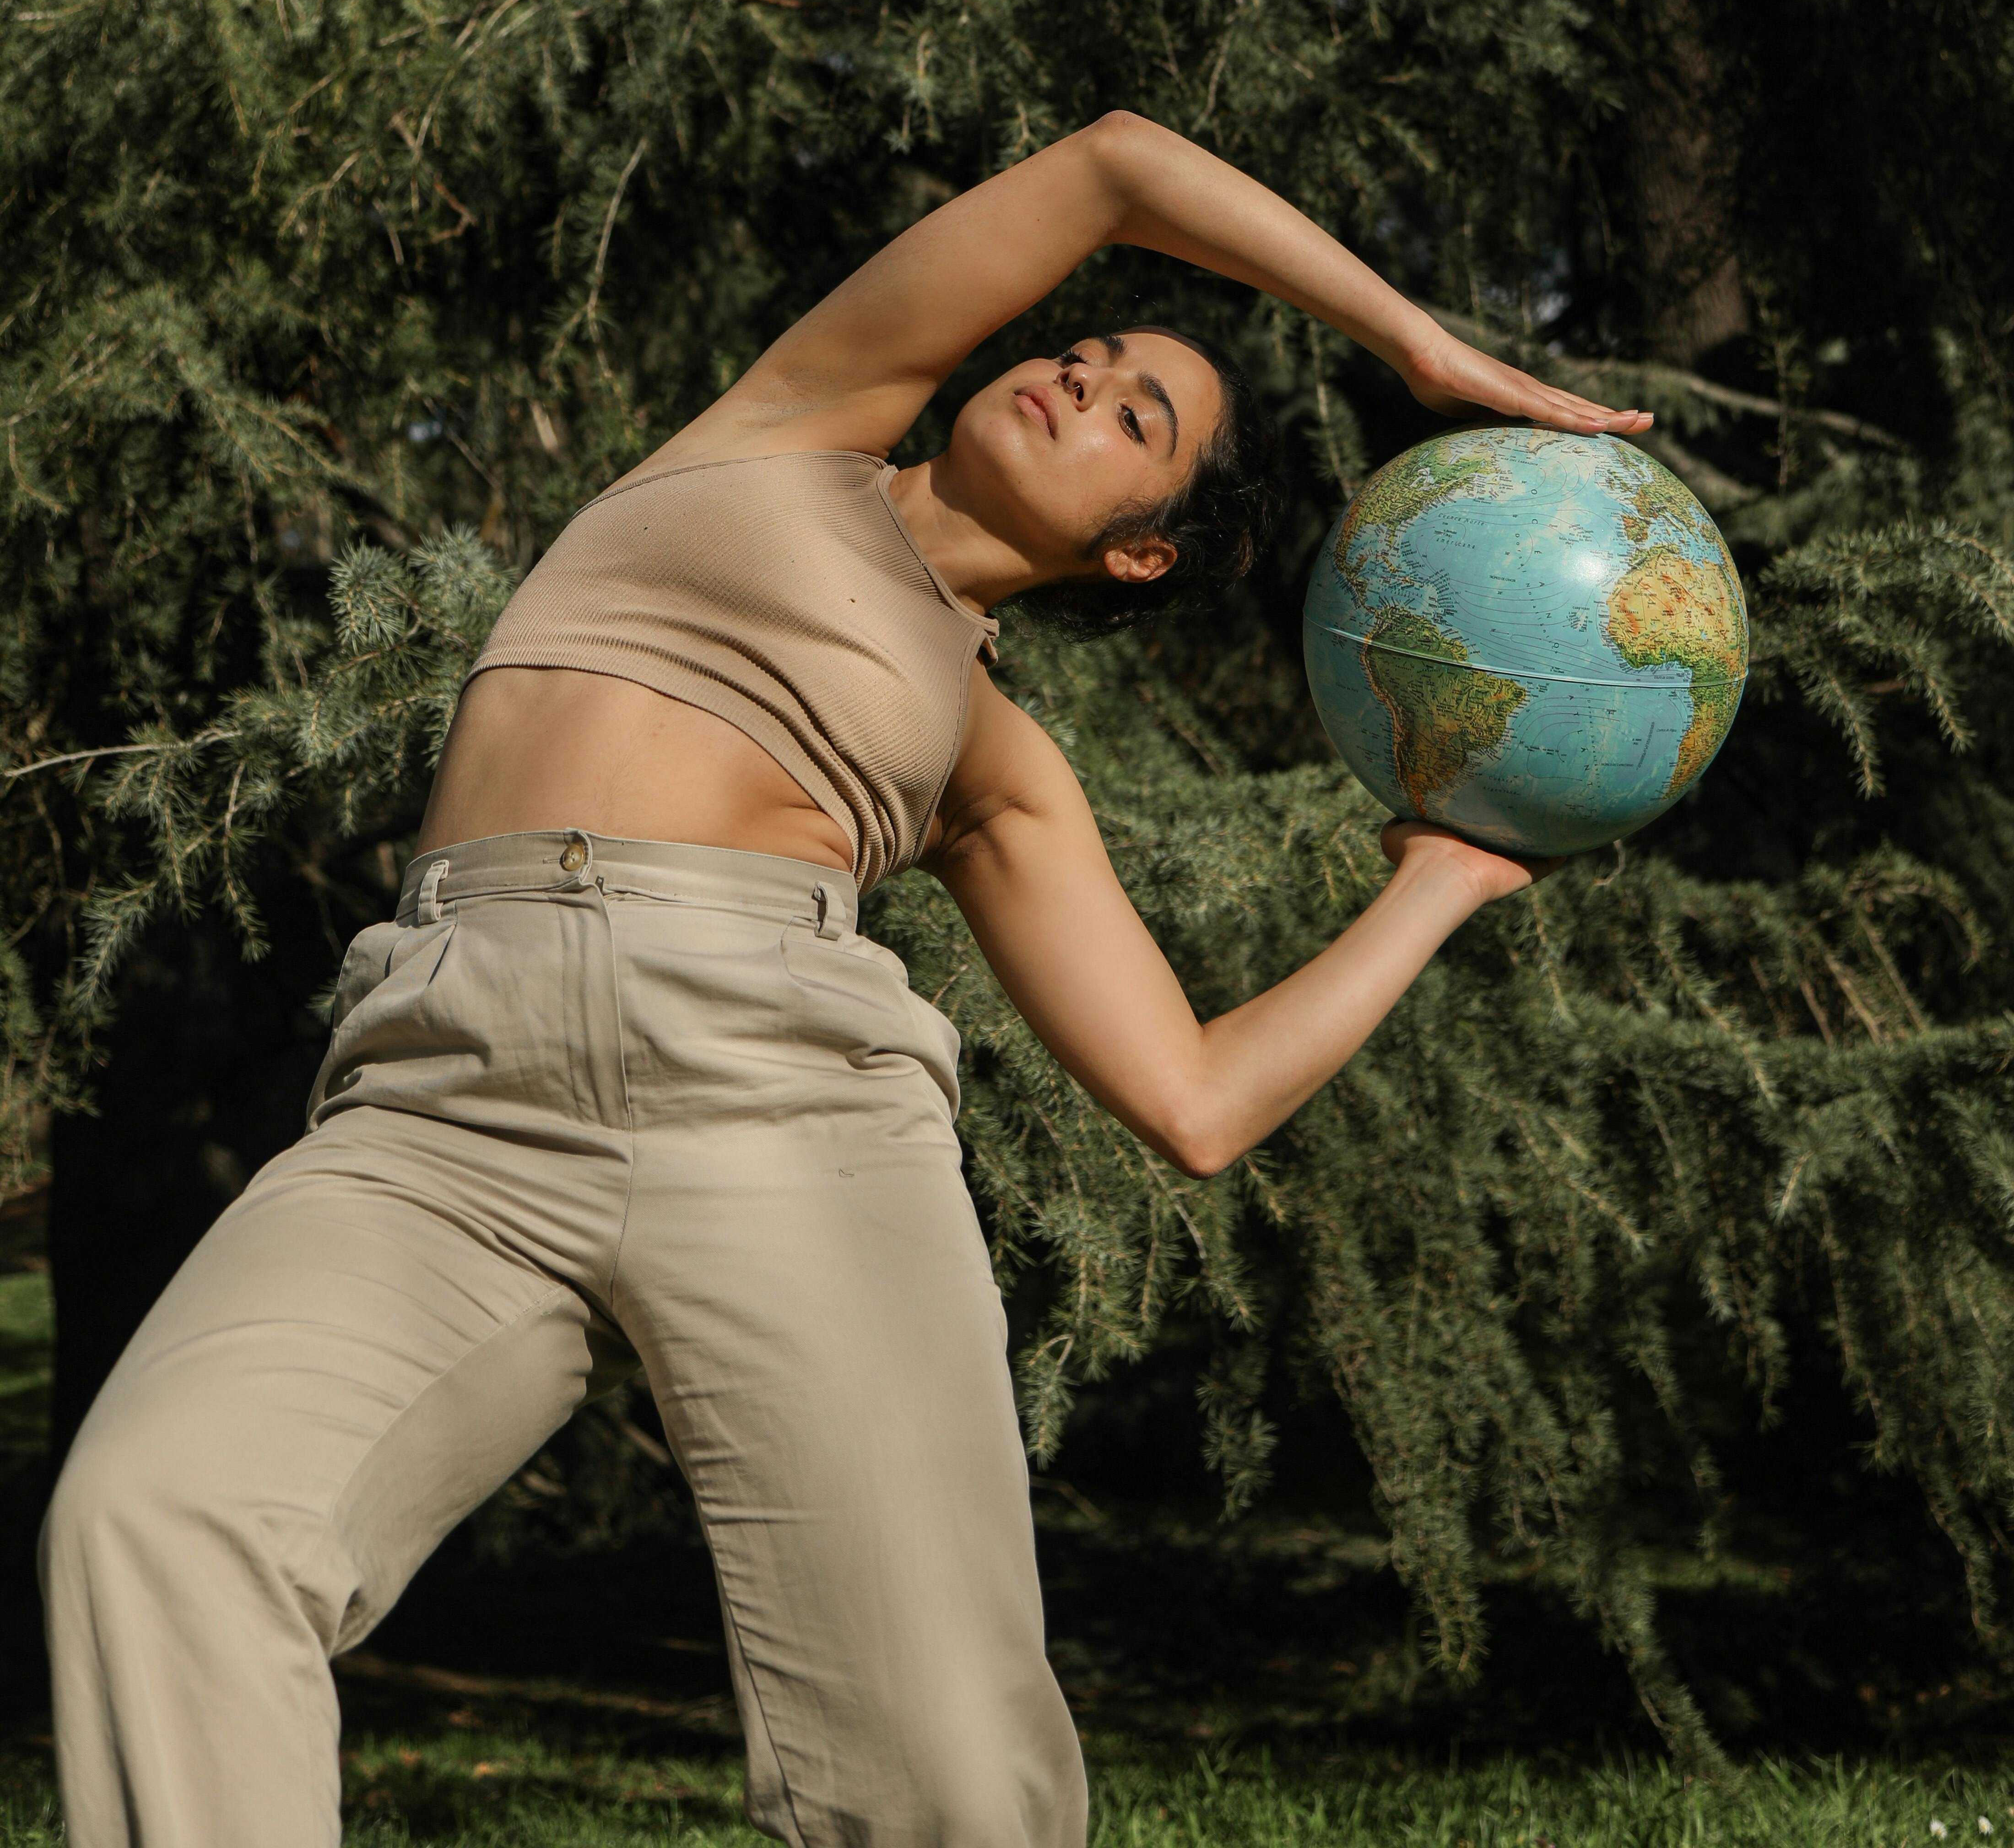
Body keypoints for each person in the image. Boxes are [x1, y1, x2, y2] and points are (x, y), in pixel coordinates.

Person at [41, 112, 1651, 1848]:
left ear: (1139, 552)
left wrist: (1445, 883)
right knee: (160, 1517)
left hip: (784, 1116)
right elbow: (1115, 164)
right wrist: (1410, 339)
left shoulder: (994, 754)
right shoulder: (788, 429)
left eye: (1137, 421)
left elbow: (1194, 1102)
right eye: (1089, 352)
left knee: (948, 1774)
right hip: (440, 1100)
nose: (1078, 380)